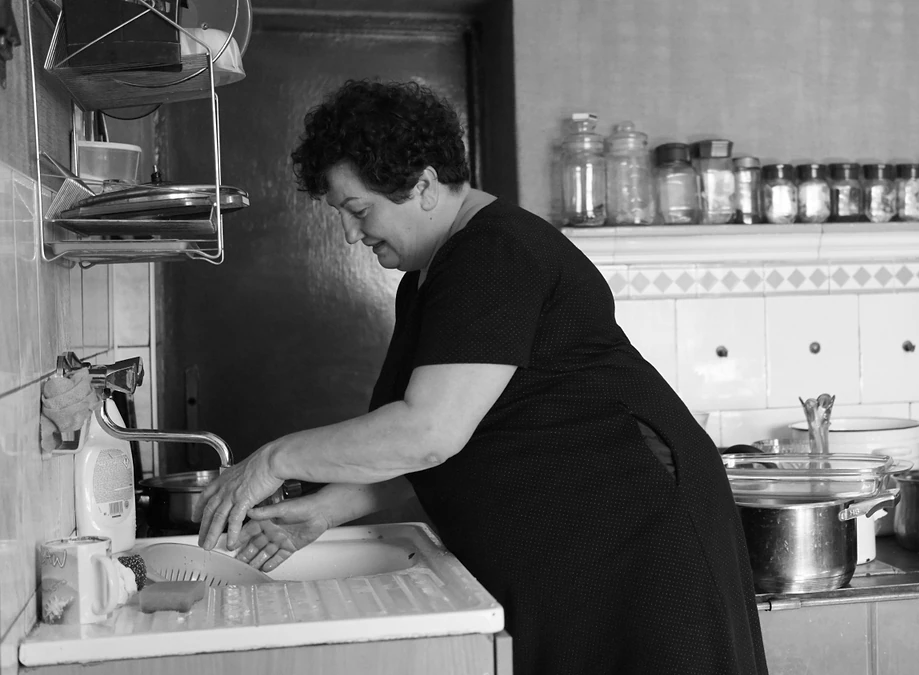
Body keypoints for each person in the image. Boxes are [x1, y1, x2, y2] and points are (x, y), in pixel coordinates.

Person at [193, 79, 767, 675]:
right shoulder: (430, 277)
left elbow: (428, 434)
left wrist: (274, 460)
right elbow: (438, 449)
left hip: (634, 541)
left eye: (358, 210)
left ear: (423, 184)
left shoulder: (494, 252)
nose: (349, 233)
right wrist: (325, 511)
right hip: (576, 545)